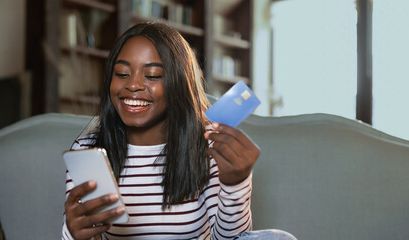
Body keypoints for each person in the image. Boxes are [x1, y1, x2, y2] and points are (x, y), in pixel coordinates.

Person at [62, 23, 296, 240]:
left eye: (152, 75)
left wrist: (235, 185)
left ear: (179, 84)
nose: (132, 85)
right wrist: (72, 233)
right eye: (122, 73)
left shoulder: (207, 146)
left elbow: (230, 239)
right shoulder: (87, 149)